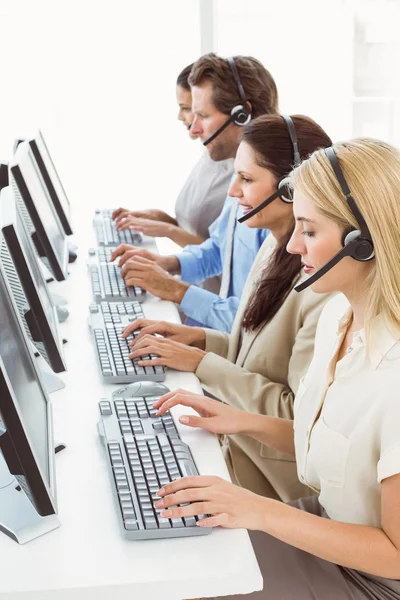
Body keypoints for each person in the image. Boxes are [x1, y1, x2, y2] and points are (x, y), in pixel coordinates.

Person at [150, 138, 400, 599]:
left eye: (307, 230)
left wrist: (260, 510)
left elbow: (395, 552)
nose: (291, 245)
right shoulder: (337, 319)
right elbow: (338, 442)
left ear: (362, 244)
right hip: (324, 521)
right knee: (171, 553)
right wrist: (239, 420)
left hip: (372, 577)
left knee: (186, 585)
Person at [120, 114, 333, 501]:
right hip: (234, 443)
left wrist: (201, 362)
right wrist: (199, 339)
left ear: (290, 190)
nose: (233, 191)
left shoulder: (321, 284)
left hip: (267, 477)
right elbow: (255, 356)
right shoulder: (274, 245)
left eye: (247, 179)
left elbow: (295, 416)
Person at [111, 53, 279, 332]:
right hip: (224, 330)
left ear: (242, 114)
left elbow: (256, 321)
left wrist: (175, 290)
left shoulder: (273, 199)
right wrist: (168, 263)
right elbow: (218, 249)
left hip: (240, 345)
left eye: (201, 115)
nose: (192, 127)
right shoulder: (241, 178)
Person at [112, 63, 234, 266]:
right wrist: (157, 219)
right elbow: (197, 228)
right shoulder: (209, 155)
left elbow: (220, 254)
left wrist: (167, 232)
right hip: (193, 279)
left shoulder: (242, 173)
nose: (182, 117)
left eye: (190, 110)